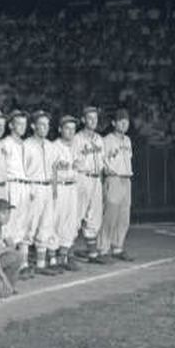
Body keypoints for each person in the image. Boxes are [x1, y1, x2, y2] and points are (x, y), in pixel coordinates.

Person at [23, 110, 58, 275]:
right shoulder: (26, 145)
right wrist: (27, 190)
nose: (45, 127)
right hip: (33, 186)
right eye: (41, 124)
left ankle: (41, 264)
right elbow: (23, 170)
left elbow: (54, 170)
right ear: (33, 126)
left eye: (47, 124)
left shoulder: (51, 146)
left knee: (46, 224)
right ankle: (23, 265)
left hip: (47, 187)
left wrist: (55, 191)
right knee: (29, 225)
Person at [98, 109, 134, 261]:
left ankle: (117, 247)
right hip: (113, 178)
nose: (124, 123)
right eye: (121, 120)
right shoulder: (106, 140)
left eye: (126, 120)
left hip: (126, 179)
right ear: (114, 123)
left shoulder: (127, 140)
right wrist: (105, 173)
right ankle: (103, 249)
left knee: (124, 216)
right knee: (110, 216)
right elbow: (100, 160)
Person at [72, 106, 106, 263]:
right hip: (82, 177)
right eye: (90, 118)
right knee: (76, 215)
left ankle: (92, 254)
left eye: (95, 118)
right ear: (83, 120)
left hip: (96, 179)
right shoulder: (77, 138)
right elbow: (72, 161)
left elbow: (103, 161)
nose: (93, 121)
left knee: (94, 217)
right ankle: (66, 254)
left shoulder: (99, 139)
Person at [1, 110, 32, 275]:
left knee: (24, 224)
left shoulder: (25, 144)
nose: (22, 127)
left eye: (24, 124)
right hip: (12, 184)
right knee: (10, 226)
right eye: (18, 124)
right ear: (11, 125)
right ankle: (11, 263)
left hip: (25, 185)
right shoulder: (6, 143)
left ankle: (24, 263)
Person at [51, 115, 81, 271]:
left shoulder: (75, 146)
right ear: (60, 129)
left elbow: (77, 168)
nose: (70, 132)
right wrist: (53, 192)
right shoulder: (54, 146)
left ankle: (64, 256)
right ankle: (52, 258)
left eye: (73, 129)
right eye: (67, 128)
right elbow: (52, 172)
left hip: (72, 187)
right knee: (57, 221)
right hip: (60, 186)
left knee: (71, 222)